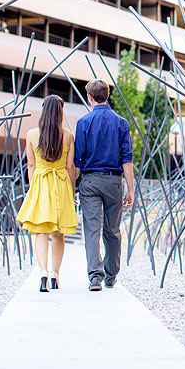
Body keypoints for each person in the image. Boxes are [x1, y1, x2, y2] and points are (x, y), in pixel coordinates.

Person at [74, 79, 135, 291]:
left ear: (90, 98)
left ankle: (94, 277)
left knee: (92, 229)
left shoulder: (83, 122)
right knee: (112, 230)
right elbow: (127, 158)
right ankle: (111, 276)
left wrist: (74, 187)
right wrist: (131, 189)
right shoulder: (121, 123)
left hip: (90, 181)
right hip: (113, 181)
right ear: (106, 95)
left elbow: (78, 159)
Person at [16, 95, 78, 292]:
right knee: (58, 233)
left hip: (41, 183)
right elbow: (70, 168)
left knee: (41, 232)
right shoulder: (68, 136)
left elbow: (31, 164)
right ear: (60, 112)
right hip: (60, 184)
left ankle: (42, 271)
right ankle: (55, 274)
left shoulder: (32, 134)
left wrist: (31, 189)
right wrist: (72, 192)